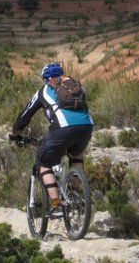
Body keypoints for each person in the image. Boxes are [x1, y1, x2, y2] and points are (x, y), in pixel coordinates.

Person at [10, 62, 93, 217]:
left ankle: (56, 202)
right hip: (87, 126)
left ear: (45, 78)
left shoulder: (44, 91)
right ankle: (75, 196)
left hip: (62, 128)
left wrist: (15, 132)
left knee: (43, 163)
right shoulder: (75, 86)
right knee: (76, 156)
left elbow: (25, 115)